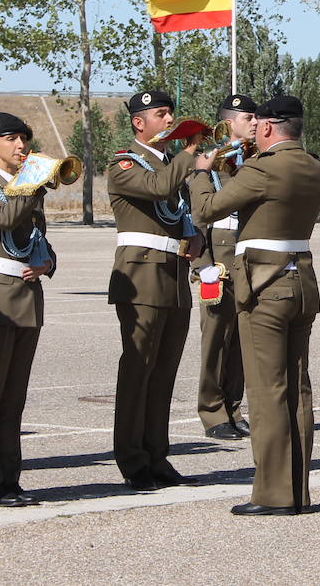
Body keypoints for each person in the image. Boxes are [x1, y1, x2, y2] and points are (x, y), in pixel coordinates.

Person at [190, 95, 320, 515]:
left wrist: (201, 173)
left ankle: (272, 494)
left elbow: (206, 210)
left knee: (268, 390)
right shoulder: (312, 165)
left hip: (265, 286)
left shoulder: (263, 168)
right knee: (297, 389)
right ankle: (297, 491)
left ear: (267, 127)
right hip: (301, 282)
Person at [107, 90, 204, 491]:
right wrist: (191, 152)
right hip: (141, 276)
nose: (169, 120)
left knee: (163, 373)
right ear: (138, 122)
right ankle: (133, 460)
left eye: (170, 113)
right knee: (138, 370)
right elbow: (159, 188)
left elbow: (179, 212)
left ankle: (157, 455)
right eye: (161, 114)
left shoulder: (168, 164)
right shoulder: (125, 163)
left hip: (173, 275)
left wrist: (195, 235)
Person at [0, 113, 56, 507]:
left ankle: (10, 477)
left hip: (26, 297)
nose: (21, 146)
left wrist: (48, 262)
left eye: (24, 139)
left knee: (13, 397)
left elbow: (36, 237)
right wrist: (31, 184)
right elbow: (4, 218)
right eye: (12, 139)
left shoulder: (25, 188)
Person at [193, 94, 257, 441]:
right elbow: (194, 215)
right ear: (229, 122)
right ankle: (212, 411)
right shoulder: (209, 160)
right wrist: (201, 264)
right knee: (216, 341)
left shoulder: (255, 160)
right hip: (216, 260)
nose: (255, 122)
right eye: (249, 117)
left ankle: (233, 407)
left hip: (246, 259)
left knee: (241, 343)